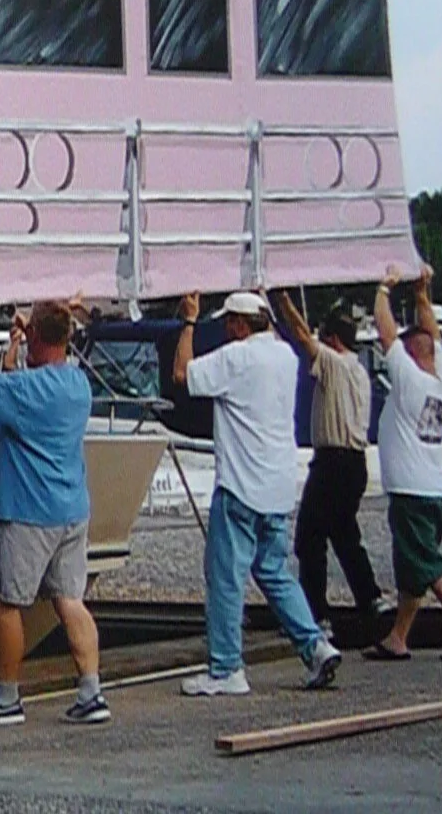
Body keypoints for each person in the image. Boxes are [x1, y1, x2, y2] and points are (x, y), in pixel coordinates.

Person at [0, 288, 110, 727]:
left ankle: (6, 698)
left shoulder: (26, 389)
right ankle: (91, 691)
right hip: (71, 509)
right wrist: (43, 325)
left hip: (26, 512)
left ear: (34, 334)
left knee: (6, 602)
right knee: (69, 600)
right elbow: (54, 350)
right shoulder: (77, 385)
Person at [171, 290, 341, 695]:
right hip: (278, 484)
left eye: (229, 322)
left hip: (240, 484)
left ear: (239, 324)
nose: (225, 329)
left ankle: (226, 668)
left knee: (225, 577)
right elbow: (275, 334)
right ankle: (315, 645)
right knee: (273, 571)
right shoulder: (285, 356)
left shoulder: (237, 357)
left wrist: (189, 321)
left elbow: (181, 374)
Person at [365, 266, 442, 662]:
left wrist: (383, 289)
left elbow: (387, 333)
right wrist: (422, 294)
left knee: (428, 564)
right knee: (413, 568)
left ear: (410, 355)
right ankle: (398, 638)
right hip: (433, 488)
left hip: (412, 490)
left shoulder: (410, 380)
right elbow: (433, 337)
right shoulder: (441, 382)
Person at [274, 291, 384, 626]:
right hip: (356, 462)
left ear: (333, 340)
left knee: (309, 538)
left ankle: (316, 613)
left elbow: (302, 336)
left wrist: (284, 303)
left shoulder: (334, 363)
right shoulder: (360, 371)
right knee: (344, 532)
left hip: (332, 461)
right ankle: (370, 597)